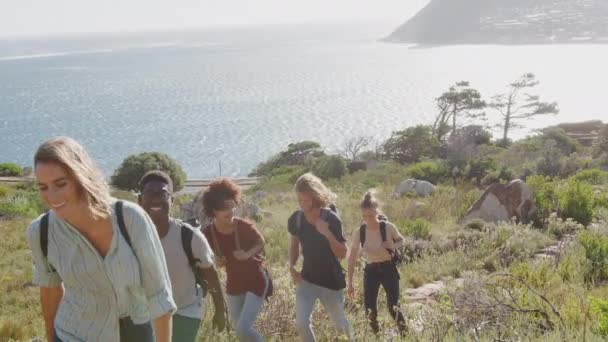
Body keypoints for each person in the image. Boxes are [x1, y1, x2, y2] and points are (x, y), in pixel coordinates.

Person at [26, 136, 176, 342]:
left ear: (82, 177)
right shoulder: (40, 231)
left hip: (134, 333)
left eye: (60, 184)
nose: (51, 196)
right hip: (72, 334)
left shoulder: (130, 218)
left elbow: (159, 296)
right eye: (43, 187)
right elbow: (50, 293)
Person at [138, 170, 227, 342]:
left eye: (162, 194)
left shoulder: (190, 237)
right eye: (150, 193)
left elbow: (211, 274)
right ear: (140, 201)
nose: (156, 198)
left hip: (186, 310)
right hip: (147, 313)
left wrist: (220, 311)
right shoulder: (130, 237)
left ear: (172, 200)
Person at [201, 178, 270, 342]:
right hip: (234, 284)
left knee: (243, 330)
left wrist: (247, 254)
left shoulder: (244, 226)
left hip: (256, 281)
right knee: (240, 333)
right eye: (225, 208)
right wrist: (216, 260)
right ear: (213, 211)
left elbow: (261, 242)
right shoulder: (207, 233)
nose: (231, 211)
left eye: (232, 206)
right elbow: (206, 255)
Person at [288, 173, 351, 342]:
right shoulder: (296, 218)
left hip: (331, 283)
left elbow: (342, 253)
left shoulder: (330, 218)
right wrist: (292, 266)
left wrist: (327, 234)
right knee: (301, 324)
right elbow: (294, 245)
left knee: (341, 327)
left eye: (306, 200)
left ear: (315, 196)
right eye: (299, 200)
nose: (302, 204)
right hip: (306, 280)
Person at [347, 191, 406, 335]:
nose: (369, 219)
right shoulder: (359, 232)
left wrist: (392, 246)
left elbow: (401, 240)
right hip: (371, 270)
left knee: (393, 307)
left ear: (377, 212)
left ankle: (405, 335)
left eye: (371, 216)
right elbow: (352, 256)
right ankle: (378, 336)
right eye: (365, 216)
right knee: (369, 310)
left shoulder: (387, 227)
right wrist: (349, 282)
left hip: (388, 268)